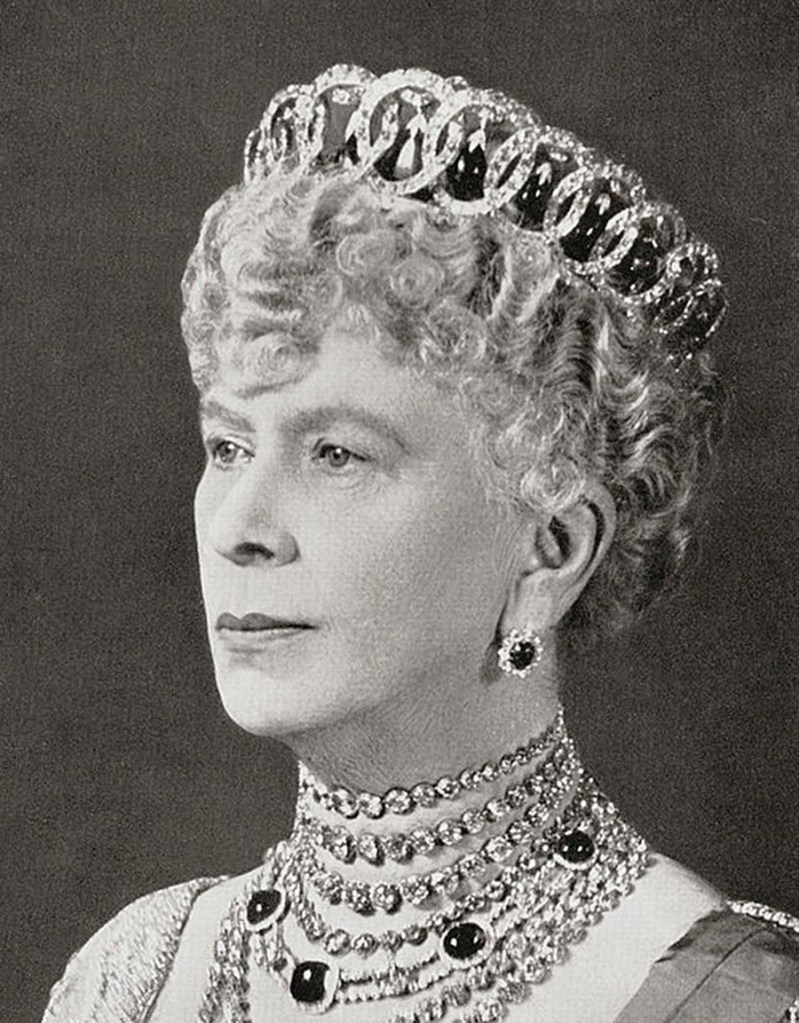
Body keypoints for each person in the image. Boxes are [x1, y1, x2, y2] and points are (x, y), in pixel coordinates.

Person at [42, 64, 799, 1023]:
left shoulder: (730, 1000)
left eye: (337, 453)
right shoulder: (137, 978)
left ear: (550, 551)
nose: (238, 528)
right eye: (228, 446)